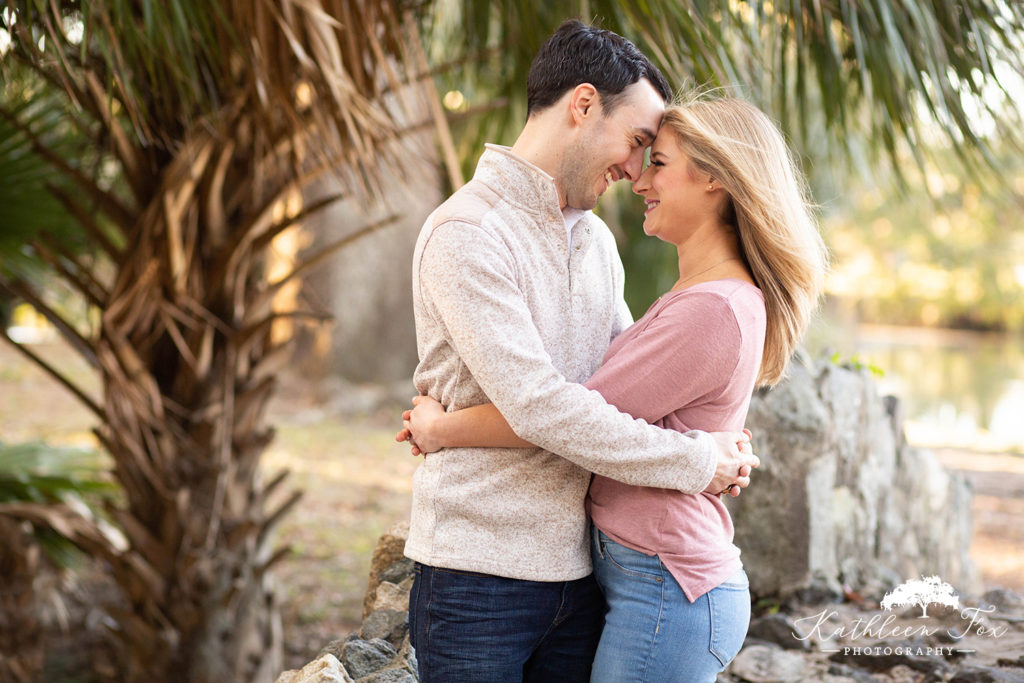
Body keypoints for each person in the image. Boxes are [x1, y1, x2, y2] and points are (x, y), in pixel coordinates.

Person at [400, 93, 828, 681]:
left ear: (714, 180)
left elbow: (568, 411)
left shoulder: (706, 305)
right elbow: (582, 405)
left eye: (656, 161)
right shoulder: (470, 231)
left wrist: (439, 426)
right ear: (581, 107)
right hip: (536, 578)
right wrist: (703, 454)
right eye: (639, 148)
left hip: (655, 583)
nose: (637, 177)